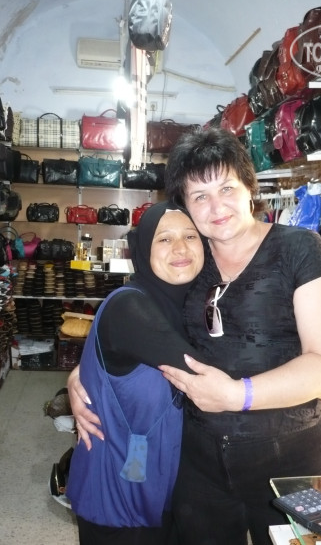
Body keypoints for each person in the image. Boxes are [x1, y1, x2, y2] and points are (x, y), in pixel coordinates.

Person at [69, 128, 321, 545]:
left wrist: (240, 395)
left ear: (250, 188)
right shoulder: (191, 263)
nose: (216, 207)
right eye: (200, 196)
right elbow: (143, 323)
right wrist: (85, 374)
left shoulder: (302, 249)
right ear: (185, 206)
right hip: (199, 467)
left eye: (227, 188)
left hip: (292, 457)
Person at [65, 201, 205, 545]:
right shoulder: (129, 307)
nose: (180, 248)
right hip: (117, 498)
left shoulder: (190, 306)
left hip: (163, 487)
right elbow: (206, 373)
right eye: (164, 239)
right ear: (143, 249)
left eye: (191, 236)